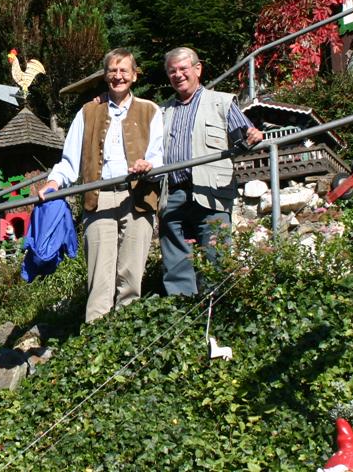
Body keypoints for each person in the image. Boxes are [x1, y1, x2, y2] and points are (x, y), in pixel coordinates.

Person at [38, 48, 161, 322]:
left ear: (134, 75)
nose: (118, 76)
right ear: (106, 75)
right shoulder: (88, 111)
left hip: (138, 196)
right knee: (99, 275)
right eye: (113, 71)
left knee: (131, 275)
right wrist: (54, 181)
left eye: (124, 71)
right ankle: (95, 337)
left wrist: (148, 166)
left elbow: (158, 155)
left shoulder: (150, 110)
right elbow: (70, 158)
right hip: (99, 196)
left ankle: (124, 336)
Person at [150, 46, 262, 296]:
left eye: (183, 69)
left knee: (216, 258)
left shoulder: (221, 102)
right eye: (172, 71)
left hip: (211, 192)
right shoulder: (161, 112)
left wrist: (252, 135)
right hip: (173, 194)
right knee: (175, 262)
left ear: (197, 69)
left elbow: (245, 137)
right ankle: (182, 315)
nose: (178, 75)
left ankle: (217, 316)